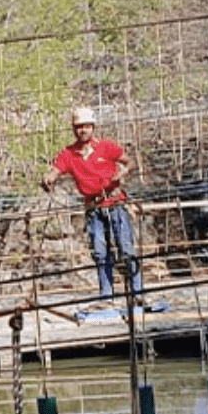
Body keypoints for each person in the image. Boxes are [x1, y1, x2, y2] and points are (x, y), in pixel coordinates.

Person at [41, 105, 144, 302]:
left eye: (86, 126)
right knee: (100, 252)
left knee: (126, 248)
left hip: (115, 203)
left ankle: (138, 293)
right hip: (94, 208)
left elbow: (129, 161)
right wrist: (49, 178)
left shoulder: (107, 147)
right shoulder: (69, 154)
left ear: (93, 127)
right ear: (74, 129)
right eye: (79, 126)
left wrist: (124, 171)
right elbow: (57, 169)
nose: (83, 130)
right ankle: (106, 296)